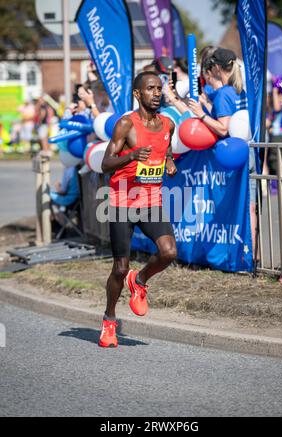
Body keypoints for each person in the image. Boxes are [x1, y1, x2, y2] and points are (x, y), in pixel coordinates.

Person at [99, 71, 178, 348]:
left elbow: (166, 150)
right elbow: (105, 163)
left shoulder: (168, 124)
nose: (156, 93)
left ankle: (140, 280)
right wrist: (131, 155)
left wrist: (168, 162)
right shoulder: (125, 125)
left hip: (150, 201)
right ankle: (109, 321)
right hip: (122, 202)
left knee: (169, 252)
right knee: (120, 268)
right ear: (137, 94)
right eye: (150, 89)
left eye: (159, 88)